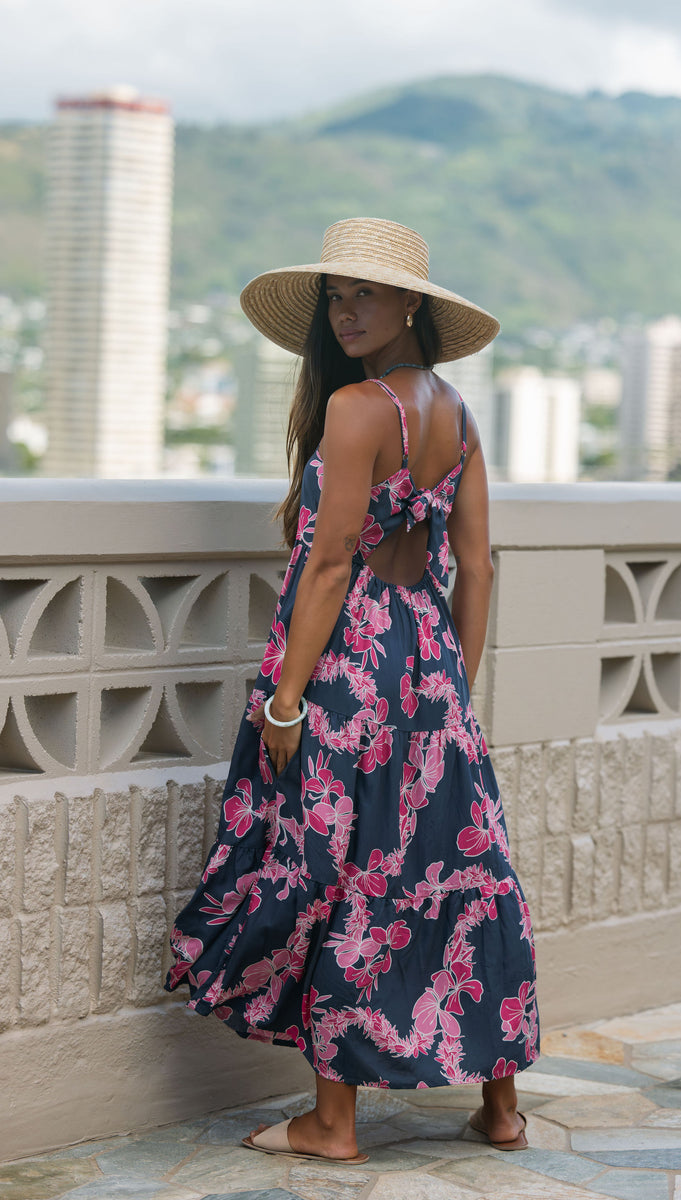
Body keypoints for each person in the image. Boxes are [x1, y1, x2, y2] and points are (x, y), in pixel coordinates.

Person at [165, 218, 539, 1165]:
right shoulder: (454, 409)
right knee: (461, 872)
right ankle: (500, 1108)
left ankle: (333, 1122)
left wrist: (287, 699)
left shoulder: (360, 408)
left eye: (365, 293)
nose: (347, 311)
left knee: (345, 871)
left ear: (412, 302)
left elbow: (331, 563)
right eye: (337, 296)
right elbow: (477, 564)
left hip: (348, 668)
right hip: (428, 661)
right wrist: (454, 687)